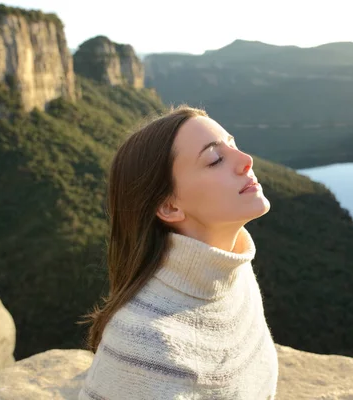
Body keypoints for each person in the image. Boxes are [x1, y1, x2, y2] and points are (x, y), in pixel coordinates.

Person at [78, 105, 279, 399]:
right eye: (215, 159)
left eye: (234, 145)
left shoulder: (235, 271)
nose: (246, 161)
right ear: (169, 206)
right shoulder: (144, 342)